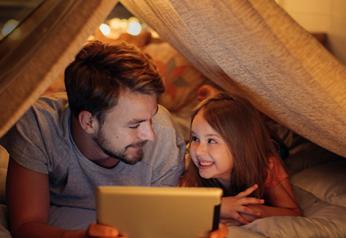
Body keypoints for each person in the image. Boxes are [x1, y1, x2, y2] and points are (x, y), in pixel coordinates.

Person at [0, 40, 216, 237]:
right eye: (134, 125)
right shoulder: (38, 124)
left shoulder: (163, 134)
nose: (149, 135)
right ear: (88, 122)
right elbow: (26, 225)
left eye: (151, 117)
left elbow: (166, 223)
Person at [181, 92, 302, 226]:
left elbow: (294, 212)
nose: (198, 151)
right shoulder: (191, 169)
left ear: (238, 146)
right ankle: (218, 100)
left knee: (278, 146)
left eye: (211, 140)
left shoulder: (266, 166)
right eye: (195, 139)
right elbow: (180, 208)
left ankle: (221, 99)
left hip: (266, 144)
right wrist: (218, 207)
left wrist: (252, 211)